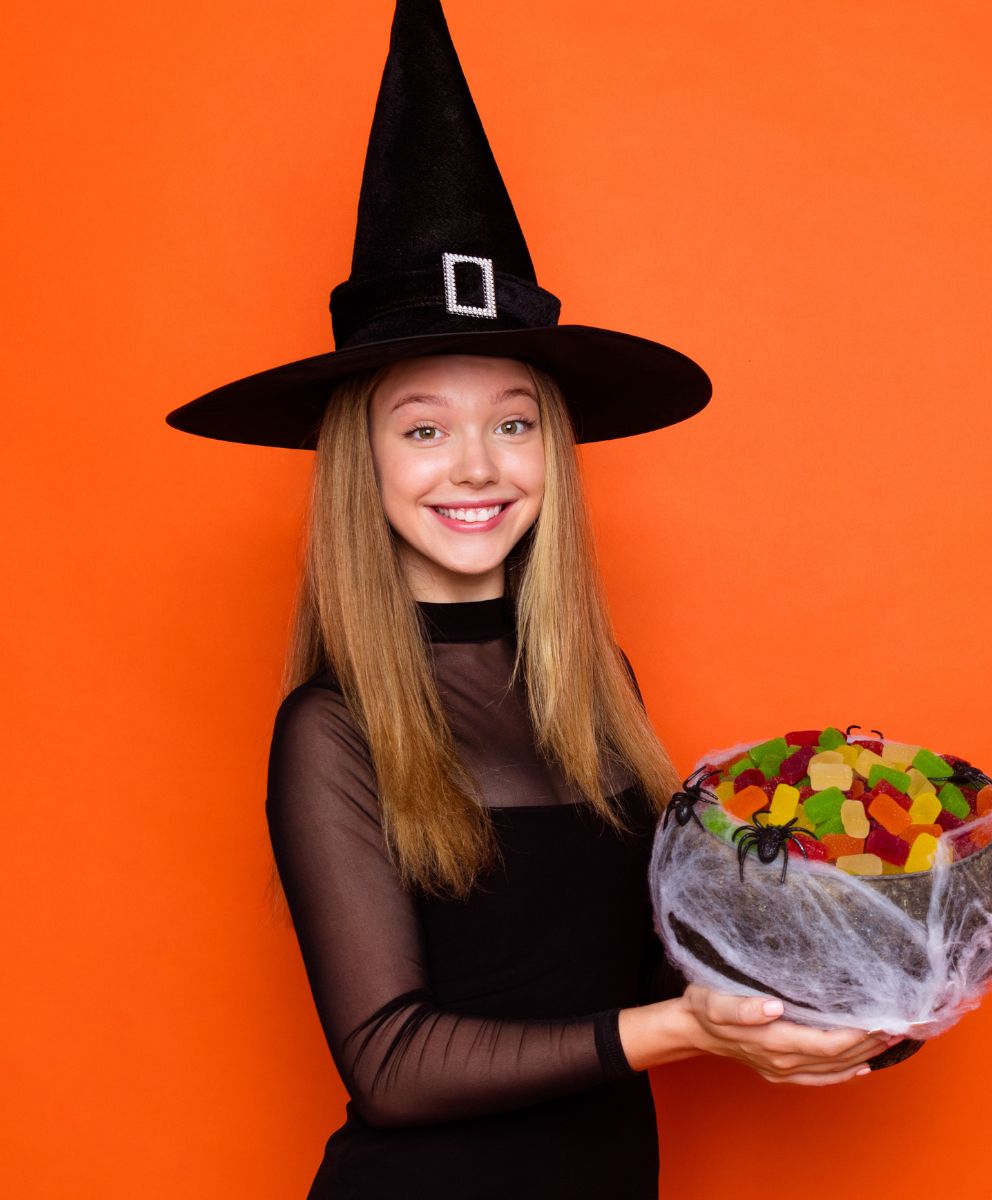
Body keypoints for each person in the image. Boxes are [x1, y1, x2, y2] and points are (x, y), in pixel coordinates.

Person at [165, 4, 902, 1195]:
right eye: (423, 428)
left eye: (514, 422)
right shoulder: (334, 731)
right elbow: (390, 1064)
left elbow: (643, 971)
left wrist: (838, 993)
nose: (476, 466)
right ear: (364, 463)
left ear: (554, 451)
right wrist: (682, 1035)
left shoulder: (594, 681)